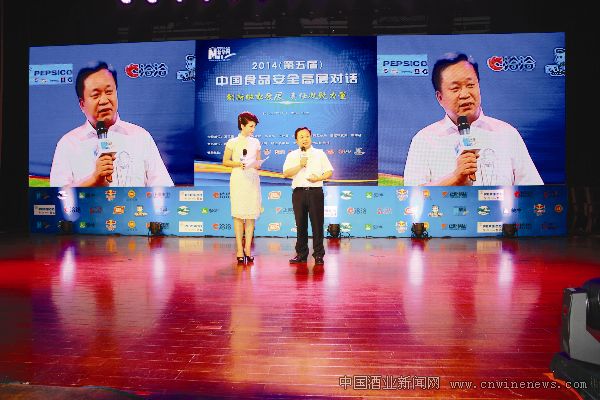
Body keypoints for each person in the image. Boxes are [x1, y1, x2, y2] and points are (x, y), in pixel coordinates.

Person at [403, 52, 543, 186]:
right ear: (440, 98)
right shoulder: (424, 139)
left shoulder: (507, 134)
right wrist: (455, 178)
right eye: (455, 88)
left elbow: (533, 191)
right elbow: (411, 195)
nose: (465, 94)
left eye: (470, 85)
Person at [50, 61, 173, 187]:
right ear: (82, 104)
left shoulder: (140, 137)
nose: (104, 100)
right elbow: (58, 195)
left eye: (109, 92)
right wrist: (93, 180)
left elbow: (164, 189)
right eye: (96, 95)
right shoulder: (68, 144)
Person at [283, 127, 333, 265]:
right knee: (300, 224)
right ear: (296, 140)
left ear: (311, 137)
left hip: (315, 192)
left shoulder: (319, 153)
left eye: (307, 136)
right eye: (301, 137)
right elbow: (286, 173)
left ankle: (318, 255)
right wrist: (300, 165)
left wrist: (318, 178)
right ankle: (301, 254)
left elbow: (329, 171)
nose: (305, 139)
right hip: (298, 193)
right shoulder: (292, 155)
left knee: (317, 224)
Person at [222, 112, 262, 264]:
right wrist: (239, 164)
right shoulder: (232, 142)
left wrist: (256, 164)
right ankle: (239, 249)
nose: (253, 129)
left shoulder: (256, 142)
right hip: (238, 178)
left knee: (251, 216)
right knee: (238, 215)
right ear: (242, 125)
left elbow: (258, 162)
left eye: (254, 126)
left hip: (252, 178)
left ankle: (248, 249)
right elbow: (225, 161)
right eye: (251, 126)